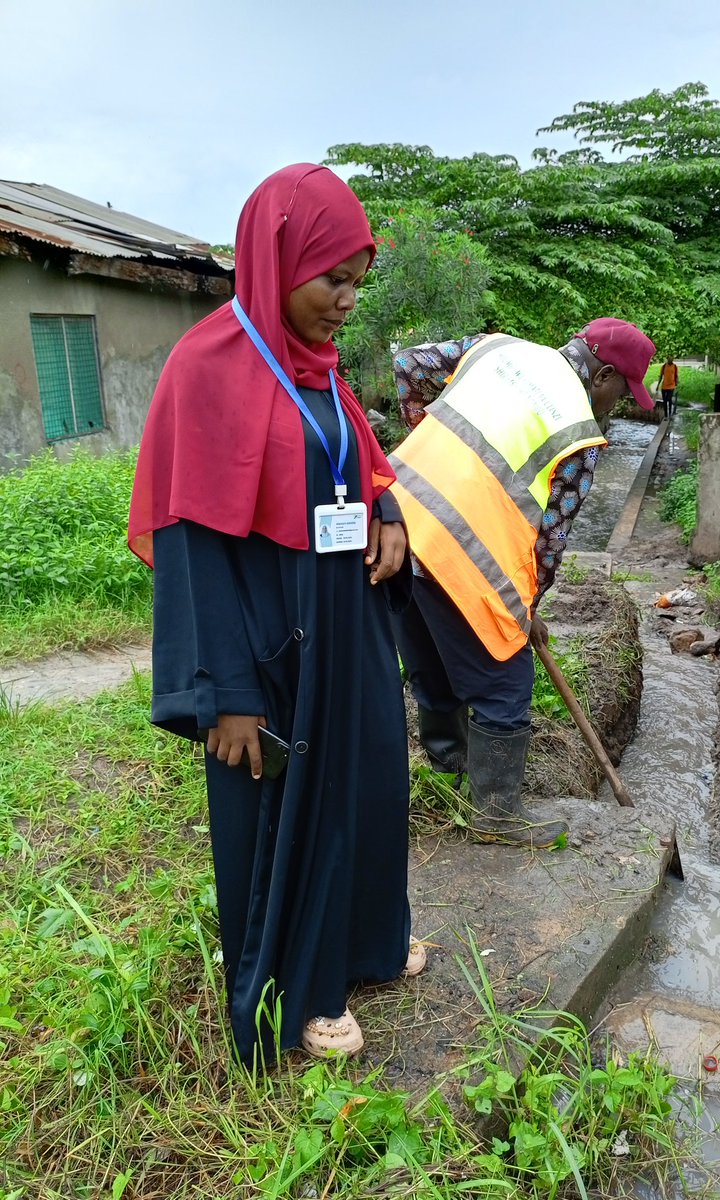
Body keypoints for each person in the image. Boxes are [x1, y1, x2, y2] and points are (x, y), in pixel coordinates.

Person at [128, 164, 424, 1068]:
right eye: (332, 278)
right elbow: (189, 544)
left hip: (347, 623)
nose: (345, 301)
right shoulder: (204, 368)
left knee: (368, 781)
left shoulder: (322, 372)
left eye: (357, 285)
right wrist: (224, 690)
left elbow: (358, 462)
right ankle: (302, 994)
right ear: (277, 256)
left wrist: (389, 510)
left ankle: (366, 947)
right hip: (270, 640)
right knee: (284, 810)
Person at [388, 319, 655, 849]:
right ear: (602, 374)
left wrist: (422, 434)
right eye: (623, 392)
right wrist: (525, 608)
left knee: (433, 662)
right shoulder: (580, 430)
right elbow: (549, 541)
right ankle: (496, 815)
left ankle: (448, 773)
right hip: (462, 550)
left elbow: (408, 365)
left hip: (398, 520)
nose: (619, 406)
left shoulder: (494, 348)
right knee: (505, 686)